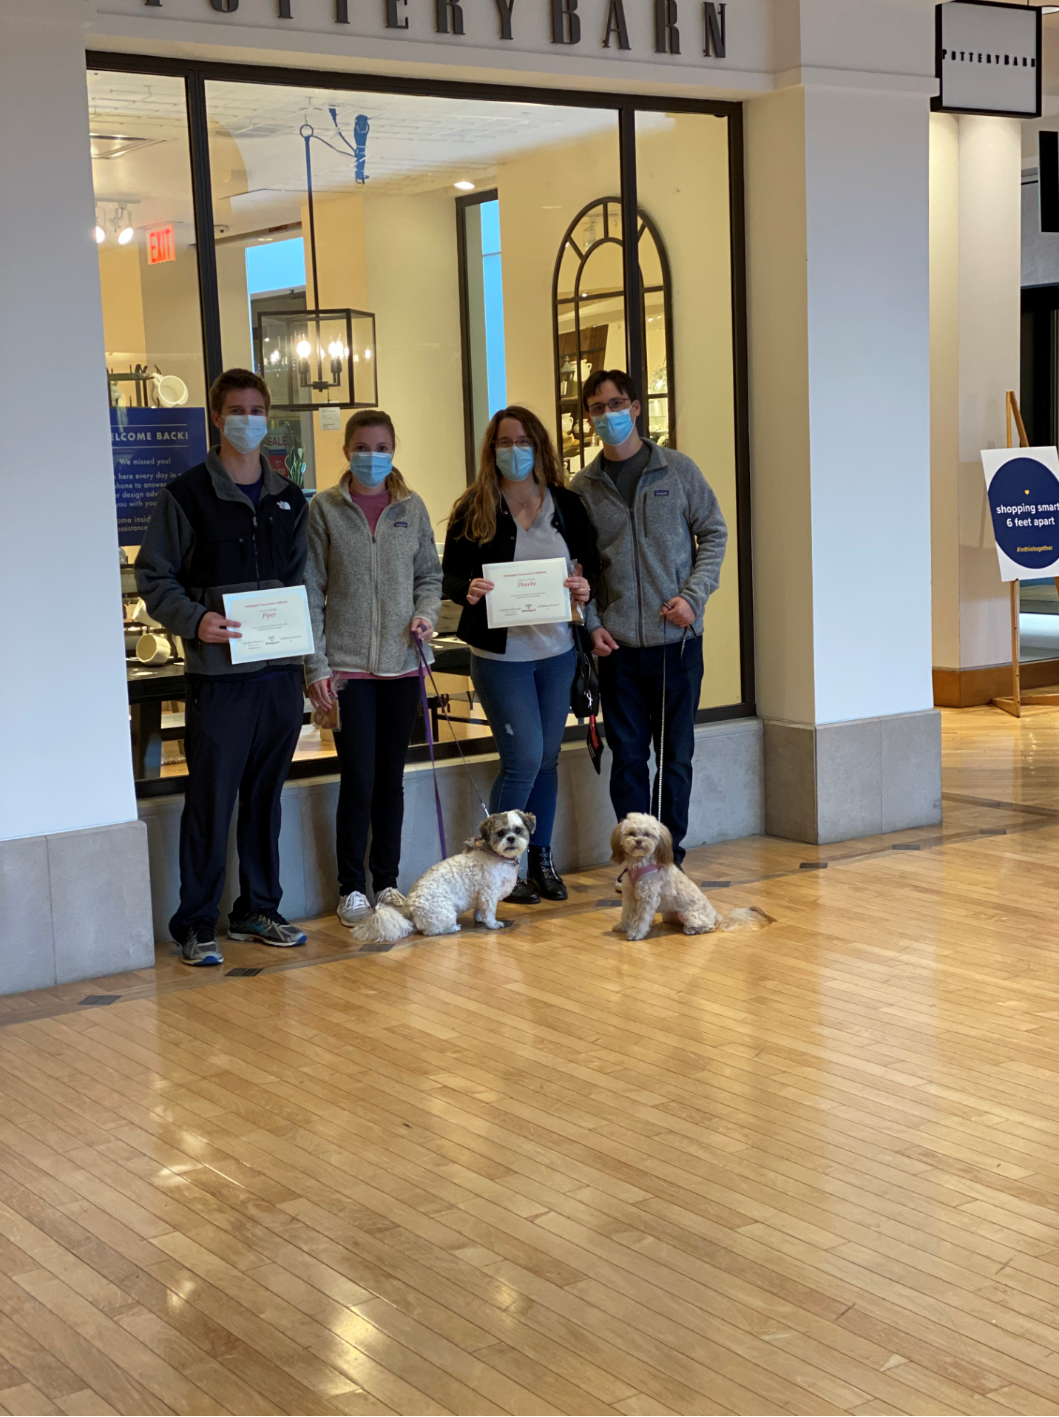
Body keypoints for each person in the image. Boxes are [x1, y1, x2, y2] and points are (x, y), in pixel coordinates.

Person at [135, 368, 309, 965]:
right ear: (216, 417)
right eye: (237, 409)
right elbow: (154, 576)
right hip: (219, 680)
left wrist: (310, 663)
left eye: (257, 408)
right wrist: (195, 620)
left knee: (266, 799)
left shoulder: (289, 495)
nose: (248, 419)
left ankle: (257, 909)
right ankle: (196, 921)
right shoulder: (185, 495)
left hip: (280, 675)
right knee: (211, 800)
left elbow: (303, 580)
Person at [571, 369, 727, 867]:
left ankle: (670, 857)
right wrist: (592, 622)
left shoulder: (677, 471)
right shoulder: (583, 488)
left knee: (676, 760)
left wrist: (693, 597)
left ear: (636, 407)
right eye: (597, 409)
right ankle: (637, 862)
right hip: (618, 652)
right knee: (630, 761)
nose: (608, 415)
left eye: (616, 404)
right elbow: (580, 567)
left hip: (677, 644)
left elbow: (715, 534)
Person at [443, 405, 598, 903]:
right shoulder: (474, 507)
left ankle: (540, 863)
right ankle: (493, 869)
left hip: (557, 651)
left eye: (524, 441)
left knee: (547, 760)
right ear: (492, 450)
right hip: (500, 657)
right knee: (524, 758)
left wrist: (582, 587)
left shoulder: (568, 505)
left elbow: (590, 568)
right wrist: (466, 589)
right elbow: (448, 577)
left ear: (540, 447)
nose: (515, 451)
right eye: (505, 442)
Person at [304, 410, 442, 928]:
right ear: (346, 451)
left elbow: (430, 576)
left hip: (402, 667)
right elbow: (310, 590)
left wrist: (425, 616)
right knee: (357, 779)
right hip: (347, 671)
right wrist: (314, 664)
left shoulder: (411, 507)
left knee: (391, 781)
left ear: (392, 451)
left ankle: (386, 881)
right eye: (362, 446)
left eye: (381, 446)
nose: (371, 455)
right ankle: (350, 889)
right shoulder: (324, 509)